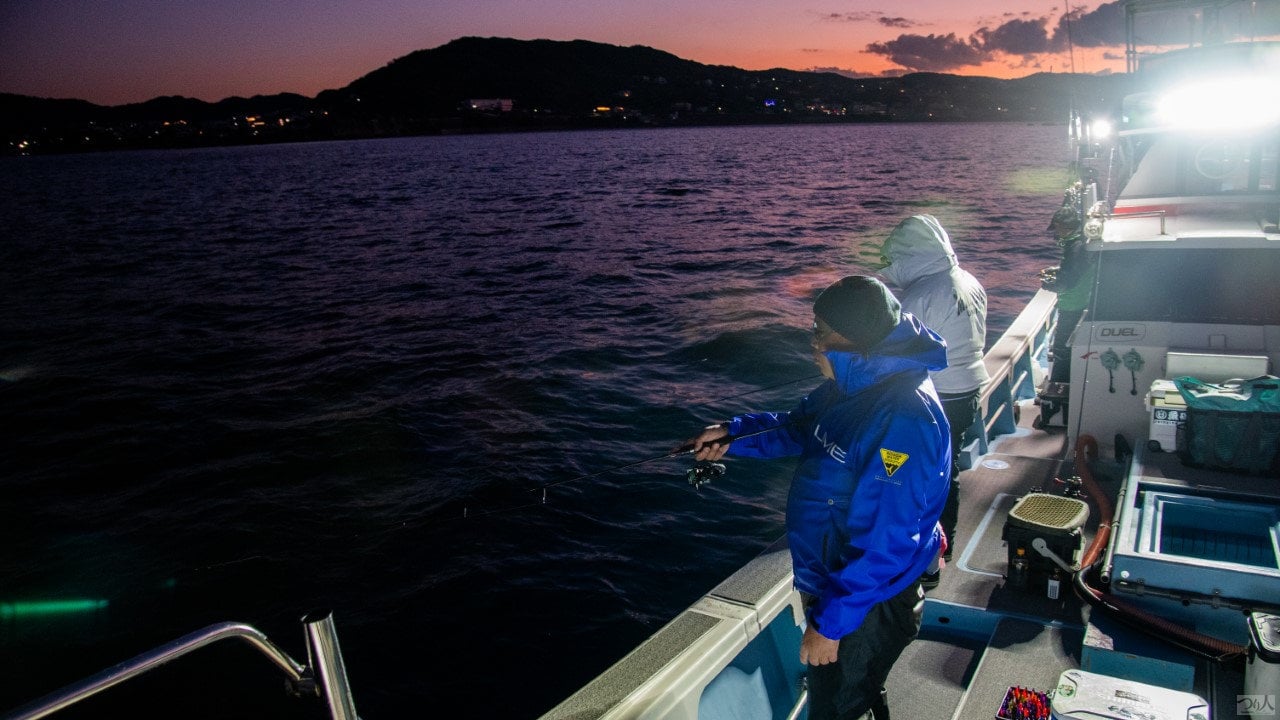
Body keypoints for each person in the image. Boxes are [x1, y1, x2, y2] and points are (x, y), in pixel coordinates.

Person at [684, 276, 950, 720]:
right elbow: (801, 426)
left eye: (820, 331)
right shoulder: (855, 386)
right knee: (851, 695)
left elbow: (886, 541)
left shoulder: (904, 419)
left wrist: (830, 625)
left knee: (839, 706)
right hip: (841, 587)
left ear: (856, 341)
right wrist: (734, 435)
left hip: (868, 604)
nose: (812, 342)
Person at [877, 215, 988, 566]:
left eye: (892, 261)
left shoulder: (920, 295)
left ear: (910, 256)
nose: (889, 269)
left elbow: (897, 356)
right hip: (968, 391)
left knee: (920, 479)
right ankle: (942, 550)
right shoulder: (968, 280)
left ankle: (926, 558)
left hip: (936, 400)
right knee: (946, 470)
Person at [1040, 203, 1096, 386]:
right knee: (1067, 347)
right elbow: (1076, 271)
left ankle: (1060, 386)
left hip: (1073, 306)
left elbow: (1066, 283)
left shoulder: (1075, 249)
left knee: (1062, 349)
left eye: (1057, 228)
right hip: (1080, 303)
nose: (1056, 233)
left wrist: (1048, 284)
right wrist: (1057, 270)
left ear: (1064, 226)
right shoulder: (1081, 244)